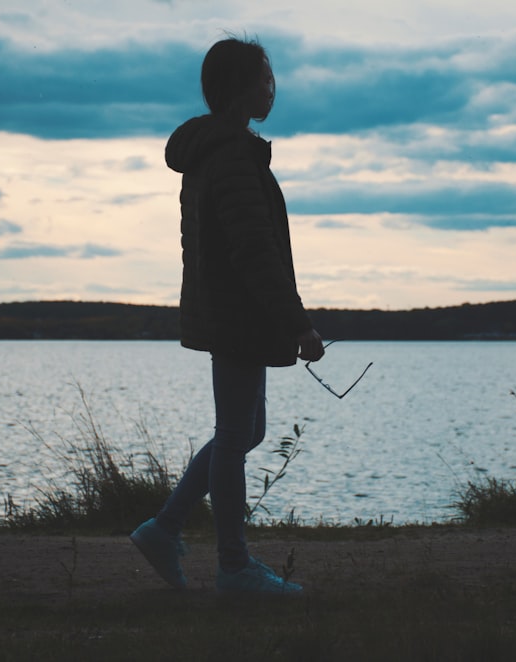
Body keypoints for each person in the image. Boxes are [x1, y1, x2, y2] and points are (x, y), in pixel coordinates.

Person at [130, 36, 324, 594]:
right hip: (239, 315)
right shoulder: (232, 154)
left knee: (246, 430)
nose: (273, 86)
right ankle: (233, 567)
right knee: (237, 433)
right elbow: (253, 252)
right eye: (266, 77)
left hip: (229, 313)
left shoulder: (218, 151)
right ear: (241, 86)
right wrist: (297, 322)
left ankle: (164, 529)